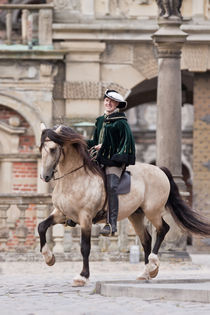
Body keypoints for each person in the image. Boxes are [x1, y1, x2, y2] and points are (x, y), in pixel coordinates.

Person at [87, 89, 135, 236]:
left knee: (112, 186)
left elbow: (126, 143)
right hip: (98, 158)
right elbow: (95, 141)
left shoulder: (121, 122)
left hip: (114, 160)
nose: (108, 103)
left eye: (112, 101)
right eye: (106, 100)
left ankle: (111, 223)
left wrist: (106, 146)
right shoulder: (100, 120)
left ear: (117, 104)